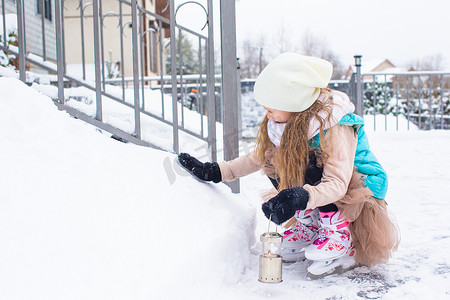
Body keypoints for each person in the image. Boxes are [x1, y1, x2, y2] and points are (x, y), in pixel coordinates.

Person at [178, 52, 400, 279]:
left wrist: (299, 197)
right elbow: (258, 158)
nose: (267, 113)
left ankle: (340, 236)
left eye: (272, 107)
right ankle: (311, 225)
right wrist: (217, 171)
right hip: (325, 184)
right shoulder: (286, 122)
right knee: (276, 160)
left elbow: (337, 182)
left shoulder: (334, 126)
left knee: (313, 165)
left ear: (295, 101)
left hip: (359, 186)